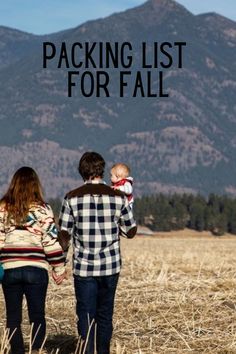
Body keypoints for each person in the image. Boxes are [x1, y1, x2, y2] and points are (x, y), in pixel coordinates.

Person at [58, 152, 137, 354]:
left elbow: (64, 237)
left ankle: (87, 350)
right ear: (102, 170)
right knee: (104, 314)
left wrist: (59, 266)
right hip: (110, 266)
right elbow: (130, 230)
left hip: (84, 268)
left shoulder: (71, 197)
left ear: (81, 171)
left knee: (85, 314)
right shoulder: (118, 197)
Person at [0, 166, 67, 354]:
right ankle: (37, 350)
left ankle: (17, 351)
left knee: (13, 317)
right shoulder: (44, 209)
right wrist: (59, 269)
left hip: (10, 268)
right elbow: (51, 242)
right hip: (36, 269)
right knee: (37, 316)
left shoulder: (3, 208)